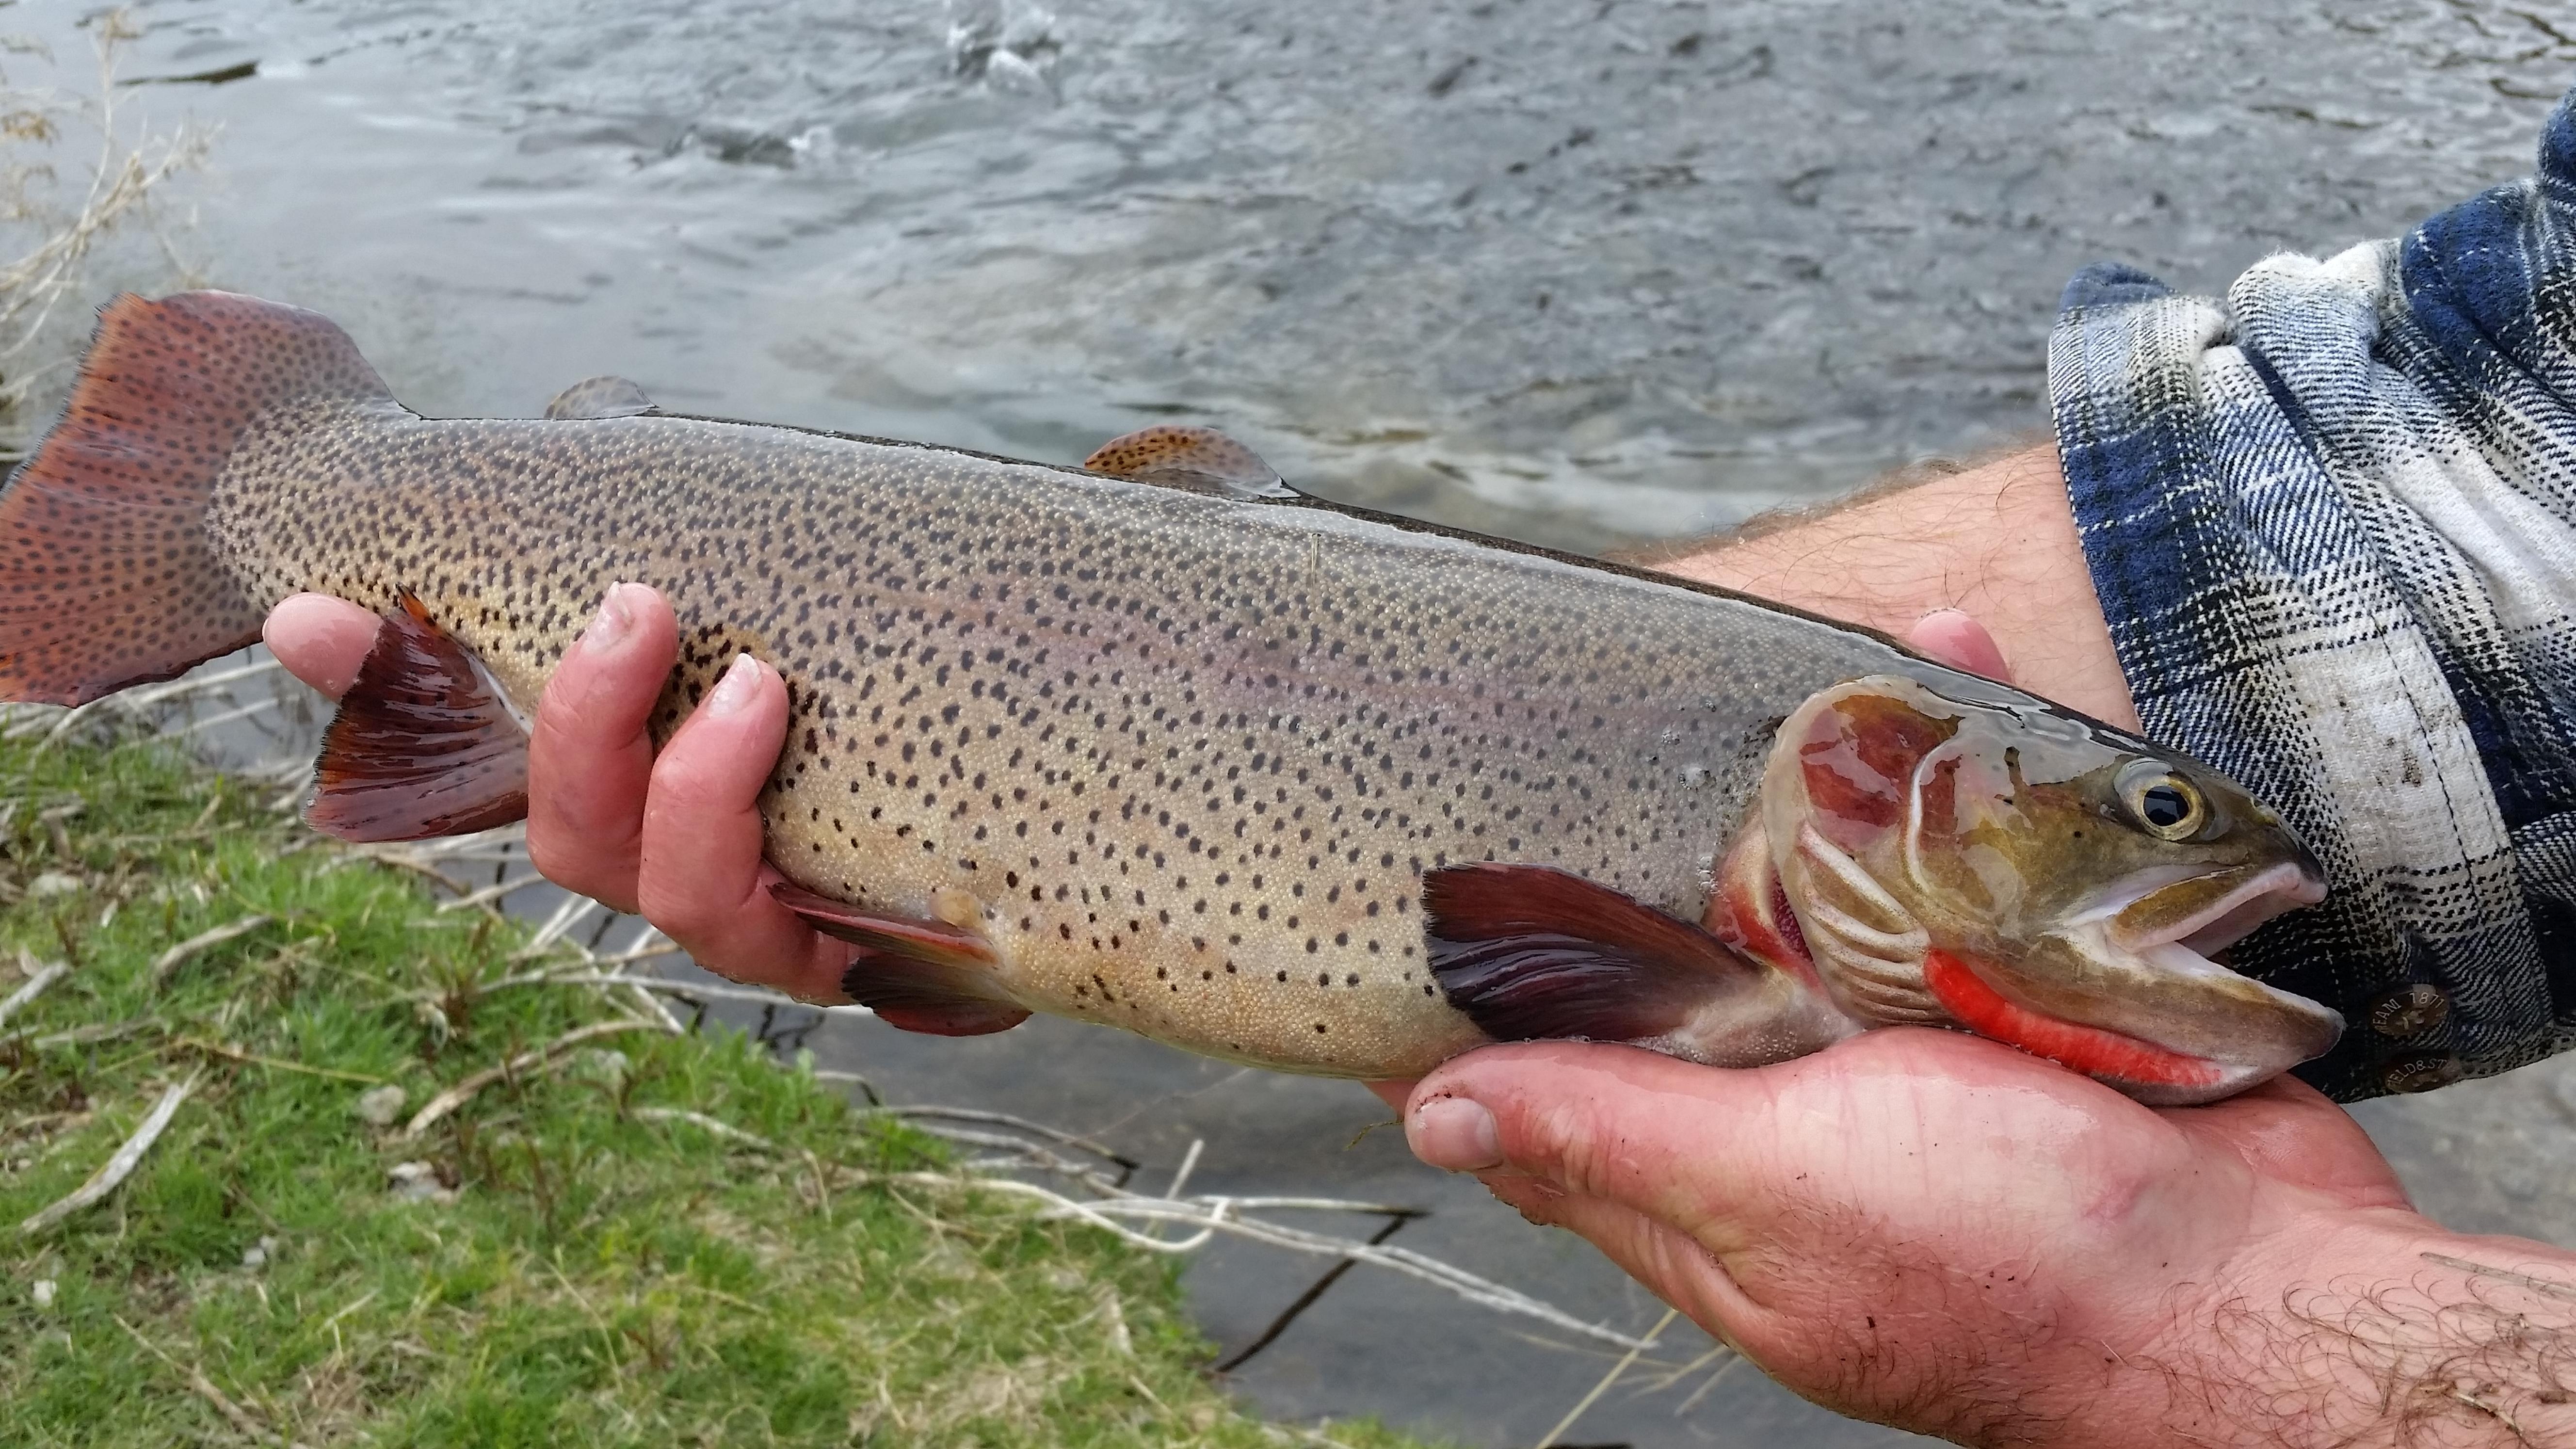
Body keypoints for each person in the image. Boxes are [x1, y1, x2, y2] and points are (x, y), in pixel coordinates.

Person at [260, 89, 2576, 1445]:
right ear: (1871, 791)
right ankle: (283, 501)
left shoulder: (1820, 883)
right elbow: (2443, 484)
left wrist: (2192, 1329)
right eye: (2140, 819)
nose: (2168, 846)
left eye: (2143, 823)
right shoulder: (1806, 838)